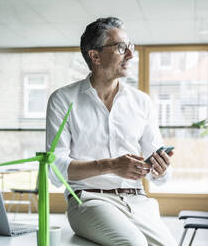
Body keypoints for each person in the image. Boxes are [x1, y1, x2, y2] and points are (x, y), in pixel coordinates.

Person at [46, 17, 177, 246]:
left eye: (130, 47)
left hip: (138, 201)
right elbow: (55, 169)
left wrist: (161, 169)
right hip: (89, 201)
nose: (130, 55)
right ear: (95, 56)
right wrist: (111, 165)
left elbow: (160, 177)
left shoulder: (141, 102)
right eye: (121, 48)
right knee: (134, 244)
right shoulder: (63, 100)